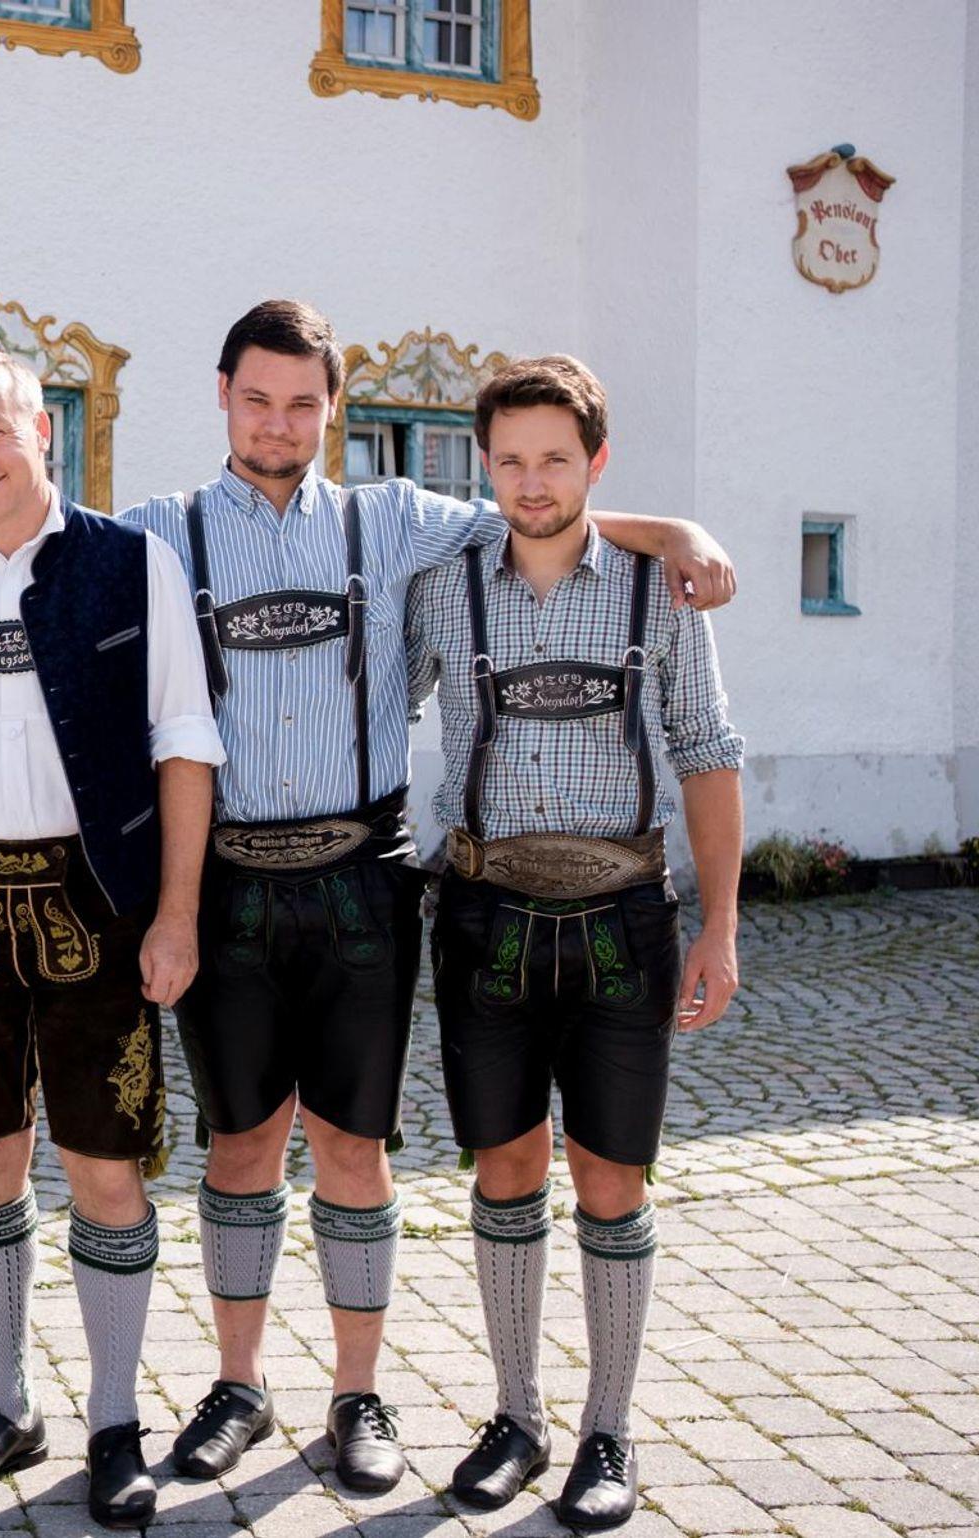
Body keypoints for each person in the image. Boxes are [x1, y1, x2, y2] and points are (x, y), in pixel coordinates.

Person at [0, 301, 737, 1492]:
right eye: (256, 399)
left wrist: (675, 529)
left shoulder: (394, 517)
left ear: (332, 408)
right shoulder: (159, 534)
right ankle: (236, 1384)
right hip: (226, 875)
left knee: (349, 1145)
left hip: (360, 875)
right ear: (221, 397)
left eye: (301, 403)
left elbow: (539, 512)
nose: (277, 423)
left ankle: (357, 1392)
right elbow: (30, 527)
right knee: (239, 1144)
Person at [0, 349, 224, 1531]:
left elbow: (183, 738)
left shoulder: (131, 559)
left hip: (97, 900)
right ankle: (4, 1400)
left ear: (43, 433)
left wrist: (175, 912)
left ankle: (113, 1417)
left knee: (103, 1165)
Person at [404, 355, 743, 1528]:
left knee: (609, 1174)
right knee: (503, 1168)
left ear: (596, 460)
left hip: (622, 917)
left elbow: (706, 749)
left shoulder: (660, 589)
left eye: (554, 457)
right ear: (483, 464)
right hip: (484, 913)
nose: (531, 481)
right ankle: (515, 1413)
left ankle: (607, 1426)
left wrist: (721, 925)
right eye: (509, 460)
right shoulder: (444, 586)